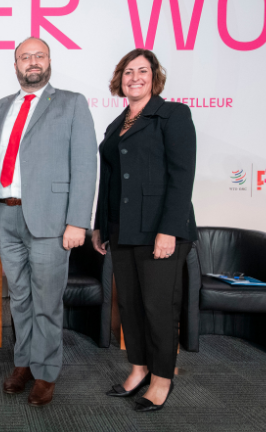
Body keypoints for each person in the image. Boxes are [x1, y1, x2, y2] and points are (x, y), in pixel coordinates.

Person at [0, 37, 97, 407]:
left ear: (49, 60)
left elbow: (85, 165)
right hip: (7, 214)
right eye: (25, 57)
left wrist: (77, 221)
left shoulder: (71, 103)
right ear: (15, 65)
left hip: (51, 220)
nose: (32, 62)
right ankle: (24, 363)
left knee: (47, 300)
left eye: (38, 56)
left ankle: (46, 373)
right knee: (20, 299)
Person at [92, 49, 197, 412]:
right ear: (119, 79)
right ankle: (138, 369)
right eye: (127, 72)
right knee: (132, 306)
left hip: (159, 231)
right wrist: (100, 226)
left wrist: (168, 230)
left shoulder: (173, 115)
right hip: (122, 229)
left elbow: (182, 178)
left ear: (154, 77)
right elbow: (108, 181)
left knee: (158, 307)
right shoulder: (116, 124)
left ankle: (162, 378)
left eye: (142, 71)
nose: (134, 77)